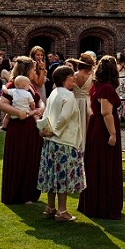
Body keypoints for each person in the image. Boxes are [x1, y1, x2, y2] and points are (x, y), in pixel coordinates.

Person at [37, 66, 85, 223]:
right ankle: (62, 211)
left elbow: (46, 115)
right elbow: (64, 118)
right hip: (63, 141)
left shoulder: (53, 93)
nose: (75, 79)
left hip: (51, 142)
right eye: (72, 77)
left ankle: (50, 207)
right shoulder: (68, 96)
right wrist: (54, 132)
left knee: (52, 174)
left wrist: (44, 130)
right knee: (62, 176)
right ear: (65, 79)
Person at [78, 55, 124, 220]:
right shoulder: (106, 88)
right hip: (103, 128)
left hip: (95, 125)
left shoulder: (96, 85)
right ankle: (103, 207)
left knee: (95, 165)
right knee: (105, 164)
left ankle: (93, 203)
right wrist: (112, 134)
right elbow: (106, 112)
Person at [0, 57, 44, 205]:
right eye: (32, 69)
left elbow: (37, 99)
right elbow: (2, 104)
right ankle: (19, 194)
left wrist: (41, 107)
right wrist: (19, 113)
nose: (34, 72)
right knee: (21, 158)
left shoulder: (29, 85)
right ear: (26, 70)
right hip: (19, 127)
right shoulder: (14, 86)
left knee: (31, 158)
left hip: (32, 126)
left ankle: (29, 192)